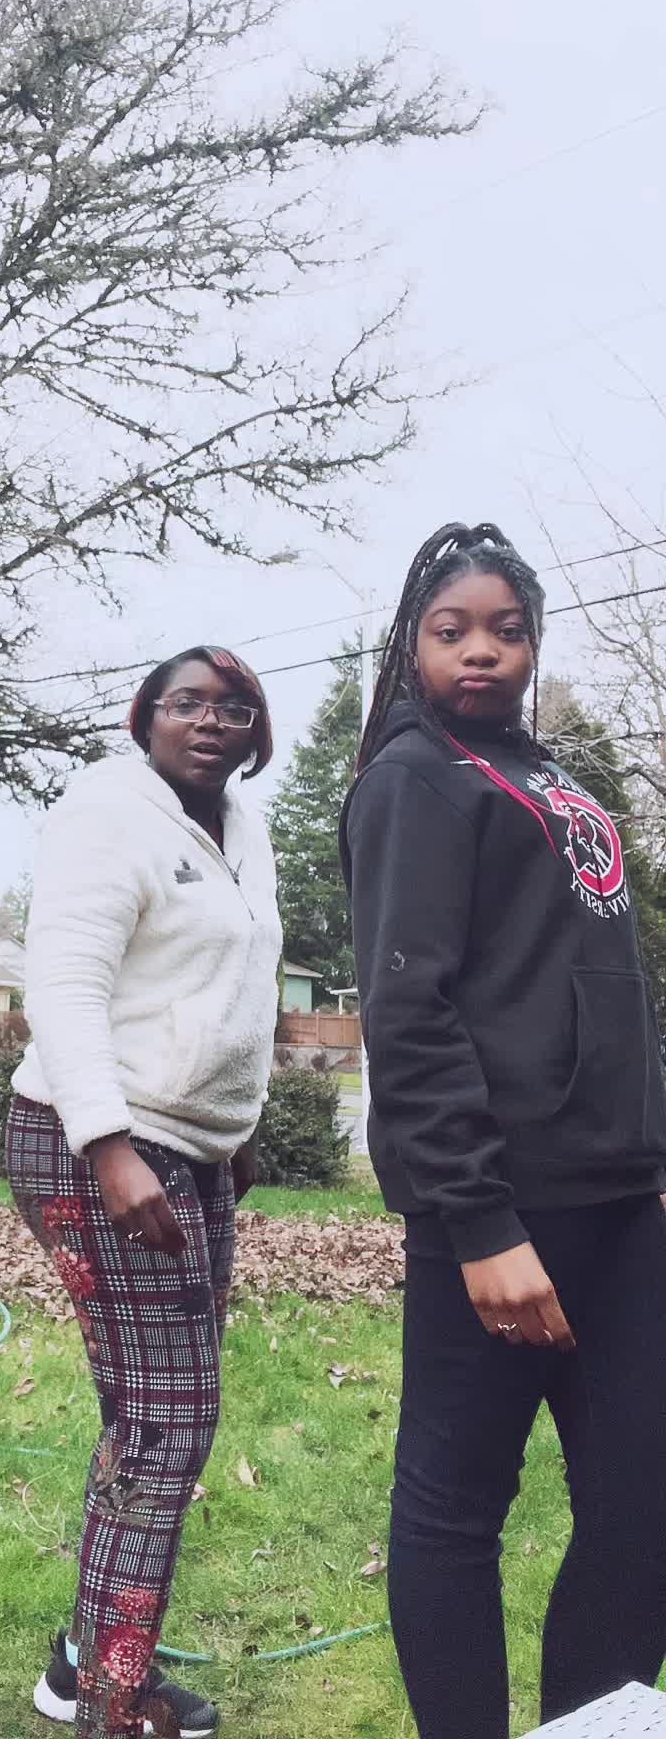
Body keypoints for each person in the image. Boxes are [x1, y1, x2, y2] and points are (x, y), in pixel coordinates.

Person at [339, 523, 666, 1739]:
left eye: (507, 630)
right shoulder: (413, 778)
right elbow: (407, 1009)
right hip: (500, 1213)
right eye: (452, 630)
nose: (481, 650)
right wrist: (478, 1221)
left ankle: (592, 1726)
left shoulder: (546, 776)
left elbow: (611, 985)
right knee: (456, 1505)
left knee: (644, 1506)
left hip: (619, 1205)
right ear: (412, 644)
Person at [6, 645, 283, 1739]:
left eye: (234, 707)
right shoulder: (106, 812)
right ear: (145, 717)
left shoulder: (242, 825)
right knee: (169, 1421)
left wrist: (236, 1132)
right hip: (101, 1143)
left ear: (257, 730)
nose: (211, 722)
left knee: (151, 1415)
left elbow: (236, 984)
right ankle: (114, 1704)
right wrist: (109, 1144)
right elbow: (65, 984)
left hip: (193, 1148)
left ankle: (86, 1664)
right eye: (187, 703)